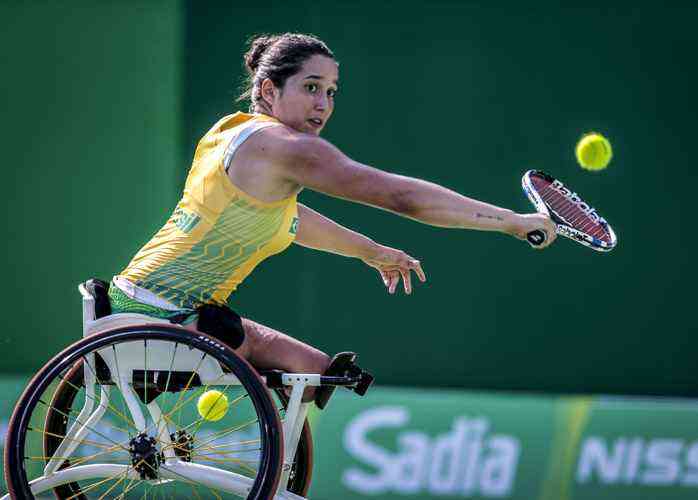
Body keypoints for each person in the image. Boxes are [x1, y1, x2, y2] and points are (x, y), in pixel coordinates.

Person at [109, 32, 556, 404]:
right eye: (310, 87)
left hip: (145, 304)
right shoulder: (286, 148)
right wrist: (513, 222)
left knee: (318, 372)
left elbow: (289, 218)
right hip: (159, 315)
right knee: (277, 386)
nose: (323, 103)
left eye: (331, 92)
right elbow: (401, 197)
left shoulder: (231, 130)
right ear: (269, 90)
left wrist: (373, 252)